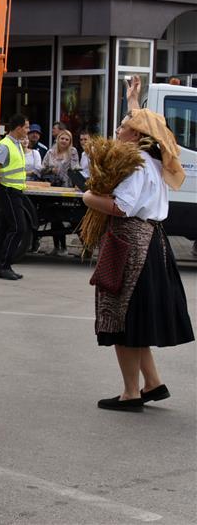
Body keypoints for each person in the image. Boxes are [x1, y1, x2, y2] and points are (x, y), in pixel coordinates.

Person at [82, 106, 194, 412]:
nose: (118, 131)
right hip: (153, 242)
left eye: (122, 126)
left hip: (131, 244)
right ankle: (153, 383)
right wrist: (133, 97)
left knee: (123, 319)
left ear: (137, 135)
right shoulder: (154, 162)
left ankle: (131, 393)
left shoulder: (137, 164)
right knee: (136, 319)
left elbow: (122, 206)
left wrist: (88, 197)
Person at [0, 114, 29, 280]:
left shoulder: (16, 144)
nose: (27, 130)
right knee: (18, 228)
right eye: (26, 127)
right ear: (18, 128)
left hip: (14, 190)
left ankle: (1, 265)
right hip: (8, 191)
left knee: (4, 228)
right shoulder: (5, 145)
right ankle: (4, 266)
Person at [41, 129, 79, 256]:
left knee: (63, 218)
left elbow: (75, 169)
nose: (64, 141)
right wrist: (51, 170)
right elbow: (42, 169)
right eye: (62, 138)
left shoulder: (73, 152)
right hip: (51, 188)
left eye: (67, 139)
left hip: (66, 189)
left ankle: (64, 247)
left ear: (70, 142)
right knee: (53, 218)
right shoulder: (50, 152)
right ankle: (56, 247)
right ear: (58, 139)